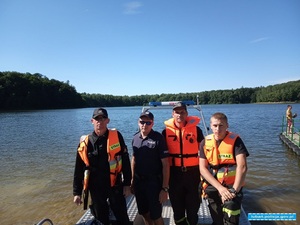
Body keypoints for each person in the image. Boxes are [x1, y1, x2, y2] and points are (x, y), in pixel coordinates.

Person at [73, 107, 132, 225]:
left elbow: (125, 161)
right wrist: (77, 192)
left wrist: (127, 184)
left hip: (114, 184)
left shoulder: (116, 136)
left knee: (122, 217)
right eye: (97, 119)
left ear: (107, 121)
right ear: (92, 121)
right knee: (101, 219)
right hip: (96, 187)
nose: (100, 121)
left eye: (103, 118)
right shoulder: (85, 142)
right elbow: (79, 168)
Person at [199, 112, 249, 225]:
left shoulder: (236, 141)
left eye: (221, 125)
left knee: (231, 218)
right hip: (213, 186)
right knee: (217, 220)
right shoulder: (204, 143)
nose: (218, 129)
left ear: (227, 126)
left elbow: (242, 166)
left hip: (232, 188)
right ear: (210, 126)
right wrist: (220, 189)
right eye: (215, 125)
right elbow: (203, 169)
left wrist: (234, 190)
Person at [162, 102, 204, 225]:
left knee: (193, 208)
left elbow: (206, 152)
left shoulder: (197, 130)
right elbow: (161, 156)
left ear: (187, 113)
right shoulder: (165, 132)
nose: (179, 114)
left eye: (182, 112)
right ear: (172, 114)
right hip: (174, 175)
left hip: (193, 174)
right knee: (177, 208)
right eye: (177, 112)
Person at [131, 111, 170, 225]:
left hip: (154, 183)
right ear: (138, 122)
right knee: (143, 212)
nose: (144, 125)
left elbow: (165, 164)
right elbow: (134, 160)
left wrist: (164, 188)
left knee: (156, 215)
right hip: (139, 182)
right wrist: (132, 180)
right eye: (142, 122)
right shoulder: (135, 138)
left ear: (152, 124)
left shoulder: (158, 138)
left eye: (148, 122)